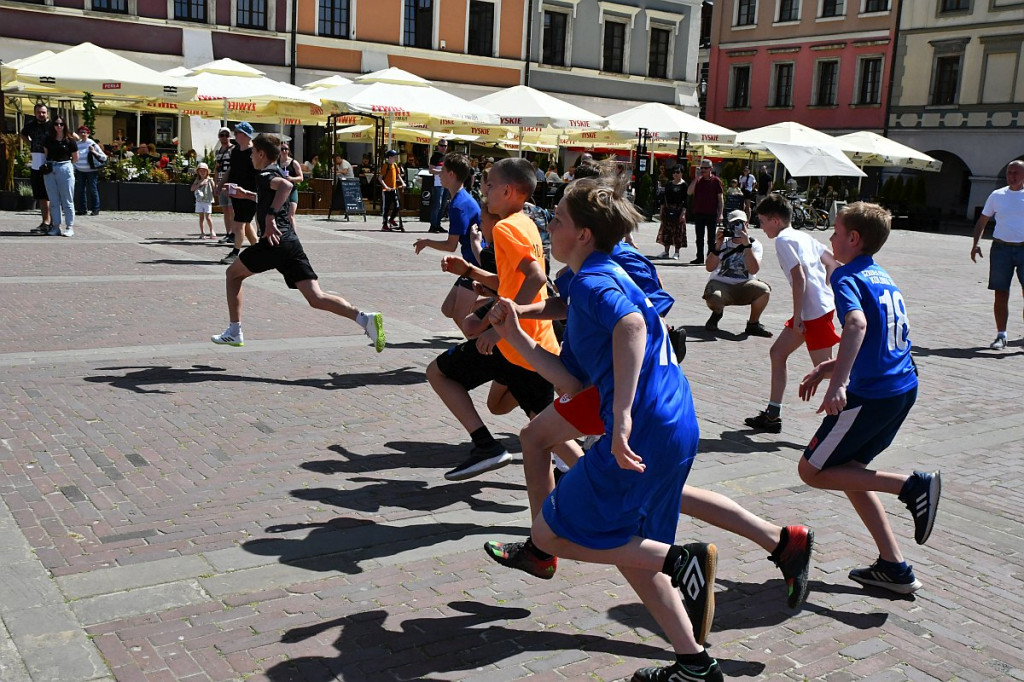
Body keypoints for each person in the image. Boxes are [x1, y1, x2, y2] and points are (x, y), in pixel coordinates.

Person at [482, 176, 723, 682]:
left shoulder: (593, 281)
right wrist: (517, 335)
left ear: (584, 234)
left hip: (645, 428)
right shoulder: (596, 271)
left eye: (559, 220)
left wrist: (622, 419)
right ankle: (694, 664)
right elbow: (570, 381)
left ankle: (683, 560)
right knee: (629, 550)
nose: (549, 225)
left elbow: (631, 327)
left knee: (549, 534)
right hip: (678, 421)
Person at [798, 202, 940, 594]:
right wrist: (828, 367)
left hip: (872, 394)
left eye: (836, 231)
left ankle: (911, 486)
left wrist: (837, 384)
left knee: (811, 471)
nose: (830, 237)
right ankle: (895, 567)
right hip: (902, 387)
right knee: (851, 471)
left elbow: (857, 323)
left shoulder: (845, 276)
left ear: (854, 239)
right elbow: (875, 335)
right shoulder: (880, 274)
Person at [424, 158, 576, 481]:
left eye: (490, 185)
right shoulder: (527, 223)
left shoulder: (506, 228)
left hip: (515, 345)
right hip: (535, 347)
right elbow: (515, 281)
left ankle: (485, 445)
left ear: (508, 191)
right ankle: (602, 485)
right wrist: (469, 271)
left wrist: (501, 329)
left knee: (438, 373)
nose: (485, 190)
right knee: (550, 438)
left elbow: (536, 278)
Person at [210, 133, 386, 352]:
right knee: (316, 297)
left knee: (232, 275)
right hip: (290, 242)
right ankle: (365, 319)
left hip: (274, 241)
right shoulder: (271, 172)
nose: (251, 156)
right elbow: (273, 193)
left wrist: (270, 216)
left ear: (261, 154)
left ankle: (234, 331)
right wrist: (246, 195)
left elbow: (286, 187)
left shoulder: (266, 174)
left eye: (253, 152)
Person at [745, 193, 840, 433]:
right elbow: (832, 262)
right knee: (778, 353)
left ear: (775, 220)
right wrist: (825, 288)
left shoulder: (783, 240)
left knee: (830, 372)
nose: (762, 226)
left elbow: (799, 278)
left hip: (812, 314)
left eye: (763, 221)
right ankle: (772, 415)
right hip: (817, 309)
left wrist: (798, 317)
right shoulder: (803, 236)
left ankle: (852, 415)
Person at [970, 160, 1024, 349]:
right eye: (1010, 172)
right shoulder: (997, 195)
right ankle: (1001, 335)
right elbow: (982, 220)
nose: (1012, 176)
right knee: (1001, 293)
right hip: (1001, 249)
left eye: (1016, 172)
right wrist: (975, 243)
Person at [703, 209, 773, 337]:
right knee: (714, 297)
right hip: (721, 284)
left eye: (740, 224)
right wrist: (718, 245)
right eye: (733, 224)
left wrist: (747, 245)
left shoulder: (755, 244)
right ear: (728, 225)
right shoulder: (723, 241)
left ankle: (753, 324)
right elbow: (709, 267)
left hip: (745, 284)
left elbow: (753, 270)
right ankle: (717, 314)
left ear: (747, 225)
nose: (737, 228)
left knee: (764, 290)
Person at [221, 122, 259, 265]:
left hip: (248, 194)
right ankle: (258, 250)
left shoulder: (254, 152)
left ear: (245, 135)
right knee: (246, 224)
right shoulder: (236, 151)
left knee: (238, 225)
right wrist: (221, 184)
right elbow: (231, 169)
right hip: (235, 193)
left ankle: (235, 253)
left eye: (237, 132)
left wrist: (252, 193)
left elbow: (259, 173)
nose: (234, 134)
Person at [42, 115, 78, 238]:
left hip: (65, 166)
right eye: (56, 124)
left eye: (61, 124)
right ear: (53, 126)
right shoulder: (48, 140)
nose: (59, 126)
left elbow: (75, 158)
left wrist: (66, 167)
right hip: (51, 168)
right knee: (53, 200)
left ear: (65, 126)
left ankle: (69, 226)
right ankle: (56, 226)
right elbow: (46, 155)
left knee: (67, 199)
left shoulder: (70, 140)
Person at [20, 102, 52, 234]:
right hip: (36, 161)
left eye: (43, 112)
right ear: (35, 113)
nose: (41, 114)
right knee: (41, 194)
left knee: (52, 194)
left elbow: (70, 135)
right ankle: (46, 222)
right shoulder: (30, 126)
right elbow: (22, 134)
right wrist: (30, 143)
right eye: (39, 112)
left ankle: (53, 222)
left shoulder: (54, 125)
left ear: (47, 113)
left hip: (51, 161)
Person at [687, 158, 724, 264]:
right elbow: (689, 192)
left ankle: (710, 258)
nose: (703, 170)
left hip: (711, 213)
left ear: (711, 169)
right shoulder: (698, 180)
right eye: (701, 168)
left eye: (705, 168)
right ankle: (699, 257)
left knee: (711, 238)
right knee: (699, 237)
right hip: (699, 212)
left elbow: (720, 198)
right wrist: (697, 177)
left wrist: (720, 213)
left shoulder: (716, 181)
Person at [656, 165, 687, 259]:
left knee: (678, 231)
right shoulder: (669, 184)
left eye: (678, 172)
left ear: (681, 173)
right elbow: (663, 198)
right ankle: (666, 251)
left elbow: (686, 200)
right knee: (666, 230)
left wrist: (683, 213)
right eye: (674, 172)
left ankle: (677, 252)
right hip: (668, 208)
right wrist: (661, 211)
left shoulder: (684, 185)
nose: (675, 174)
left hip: (679, 209)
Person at [73, 125, 105, 217]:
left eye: (85, 132)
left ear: (88, 134)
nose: (83, 134)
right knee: (80, 190)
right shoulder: (77, 144)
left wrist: (94, 151)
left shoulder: (92, 144)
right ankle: (82, 209)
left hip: (91, 171)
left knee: (93, 189)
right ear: (78, 134)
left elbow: (103, 157)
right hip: (80, 170)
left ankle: (95, 209)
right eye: (81, 132)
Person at [213, 127, 236, 245]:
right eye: (222, 135)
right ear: (219, 137)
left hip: (231, 182)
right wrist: (216, 183)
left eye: (226, 135)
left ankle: (234, 234)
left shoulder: (233, 149)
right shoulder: (218, 151)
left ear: (230, 136)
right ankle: (228, 233)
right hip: (221, 182)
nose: (224, 137)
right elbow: (216, 169)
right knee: (225, 209)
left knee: (232, 209)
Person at [278, 140, 304, 231]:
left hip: (292, 190)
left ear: (289, 151)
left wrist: (291, 178)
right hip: (280, 191)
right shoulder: (276, 163)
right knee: (279, 215)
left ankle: (294, 235)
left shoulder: (294, 163)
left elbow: (301, 178)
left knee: (290, 215)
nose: (284, 151)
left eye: (286, 149)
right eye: (282, 149)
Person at [379, 150, 405, 232]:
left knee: (397, 206)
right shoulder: (385, 166)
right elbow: (380, 178)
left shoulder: (395, 165)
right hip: (386, 190)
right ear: (390, 157)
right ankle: (384, 225)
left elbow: (398, 175)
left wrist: (403, 183)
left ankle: (391, 219)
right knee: (386, 208)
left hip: (394, 189)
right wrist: (386, 187)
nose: (395, 158)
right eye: (394, 157)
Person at [428, 140, 450, 233]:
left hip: (446, 184)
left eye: (445, 146)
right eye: (441, 146)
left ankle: (438, 225)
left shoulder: (447, 157)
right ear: (438, 146)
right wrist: (441, 172)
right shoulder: (435, 156)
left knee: (443, 205)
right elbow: (431, 170)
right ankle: (433, 225)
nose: (443, 148)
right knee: (437, 205)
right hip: (438, 183)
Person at [191, 162, 216, 239]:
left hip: (207, 200)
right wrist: (199, 184)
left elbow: (215, 188)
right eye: (200, 171)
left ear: (207, 172)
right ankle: (202, 232)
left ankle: (212, 231)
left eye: (204, 171)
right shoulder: (197, 180)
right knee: (201, 218)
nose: (202, 172)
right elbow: (192, 189)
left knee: (208, 217)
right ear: (198, 172)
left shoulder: (210, 180)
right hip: (199, 201)